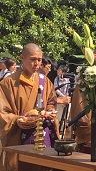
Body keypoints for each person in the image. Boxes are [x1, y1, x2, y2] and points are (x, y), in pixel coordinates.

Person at [0, 43, 57, 171]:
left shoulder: (45, 81)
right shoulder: (8, 83)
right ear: (22, 57)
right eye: (32, 59)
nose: (36, 63)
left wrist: (50, 111)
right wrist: (18, 119)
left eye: (39, 60)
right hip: (19, 135)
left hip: (42, 134)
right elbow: (2, 112)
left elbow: (51, 102)